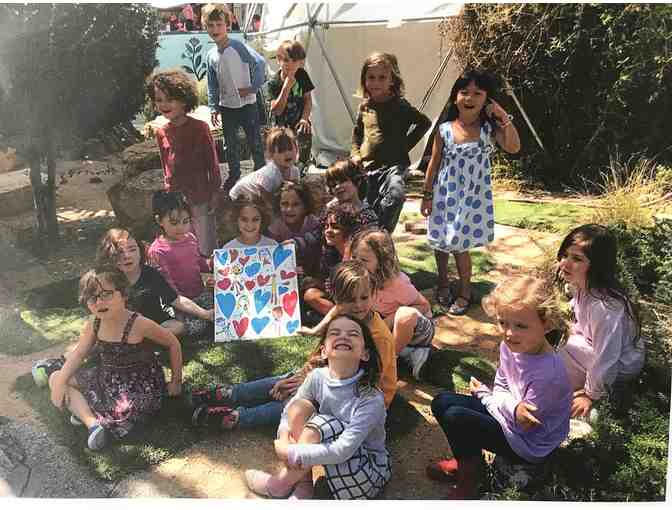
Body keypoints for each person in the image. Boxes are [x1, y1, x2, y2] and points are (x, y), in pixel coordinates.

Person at [189, 260, 397, 431]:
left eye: (364, 297)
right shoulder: (344, 313)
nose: (358, 305)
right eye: (350, 299)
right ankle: (230, 394)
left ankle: (236, 417)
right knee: (285, 380)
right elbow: (322, 355)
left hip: (357, 399)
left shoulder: (377, 337)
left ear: (374, 294)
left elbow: (366, 385)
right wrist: (301, 376)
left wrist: (307, 387)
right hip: (330, 378)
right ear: (337, 299)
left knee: (296, 404)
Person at [428, 276, 572, 499]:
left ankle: (472, 479)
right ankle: (469, 464)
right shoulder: (510, 347)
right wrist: (503, 402)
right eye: (503, 323)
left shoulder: (549, 374)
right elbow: (502, 385)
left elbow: (523, 425)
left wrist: (486, 397)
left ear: (547, 324)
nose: (509, 333)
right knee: (442, 402)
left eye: (521, 326)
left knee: (457, 417)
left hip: (528, 444)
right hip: (508, 418)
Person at [244, 314, 390, 500]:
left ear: (365, 354)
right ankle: (303, 485)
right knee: (299, 407)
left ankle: (278, 485)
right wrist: (283, 435)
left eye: (353, 334)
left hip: (366, 474)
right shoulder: (318, 377)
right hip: (334, 460)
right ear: (323, 351)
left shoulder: (371, 398)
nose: (343, 336)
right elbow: (290, 410)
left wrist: (291, 452)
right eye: (335, 333)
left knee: (321, 424)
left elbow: (343, 449)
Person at [47, 267, 183, 450]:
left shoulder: (139, 324)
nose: (99, 302)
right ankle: (93, 425)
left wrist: (176, 382)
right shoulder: (94, 322)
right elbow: (79, 354)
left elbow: (173, 343)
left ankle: (86, 411)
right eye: (92, 298)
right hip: (108, 378)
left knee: (124, 412)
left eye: (106, 294)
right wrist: (59, 384)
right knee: (56, 377)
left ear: (124, 294)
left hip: (139, 389)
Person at [421, 69, 520, 315]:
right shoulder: (444, 129)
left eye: (478, 93)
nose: (470, 98)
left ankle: (465, 291)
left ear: (487, 99)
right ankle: (443, 283)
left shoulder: (488, 129)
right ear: (455, 96)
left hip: (471, 199)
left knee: (459, 245)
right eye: (464, 92)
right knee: (441, 242)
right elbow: (433, 164)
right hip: (444, 196)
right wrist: (427, 195)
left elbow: (513, 147)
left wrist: (502, 116)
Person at [556, 224, 645, 418]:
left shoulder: (604, 307)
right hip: (598, 348)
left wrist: (590, 395)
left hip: (622, 364)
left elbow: (606, 357)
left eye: (577, 259)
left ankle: (589, 394)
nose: (565, 263)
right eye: (565, 255)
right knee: (557, 341)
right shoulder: (582, 286)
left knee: (560, 348)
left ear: (597, 265)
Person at [351, 52, 431, 233]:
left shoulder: (400, 106)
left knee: (396, 196)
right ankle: (371, 238)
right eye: (371, 77)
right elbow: (357, 135)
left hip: (394, 166)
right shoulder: (364, 107)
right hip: (369, 167)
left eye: (382, 77)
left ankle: (382, 234)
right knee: (368, 207)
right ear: (364, 80)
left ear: (392, 81)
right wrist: (355, 154)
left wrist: (405, 145)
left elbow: (424, 123)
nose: (376, 82)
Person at [146, 69, 221, 257]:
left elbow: (212, 163)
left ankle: (207, 271)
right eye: (159, 100)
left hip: (199, 196)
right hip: (176, 200)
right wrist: (168, 196)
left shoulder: (200, 128)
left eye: (170, 99)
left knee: (205, 242)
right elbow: (165, 166)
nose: (164, 104)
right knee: (180, 241)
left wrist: (214, 192)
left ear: (184, 100)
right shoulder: (161, 132)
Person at [350, 227, 434, 379]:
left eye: (364, 260)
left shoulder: (397, 283)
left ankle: (389, 361)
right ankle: (404, 353)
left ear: (382, 261)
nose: (357, 264)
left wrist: (390, 319)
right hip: (386, 329)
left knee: (404, 315)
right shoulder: (360, 279)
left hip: (418, 332)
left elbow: (424, 306)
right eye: (354, 257)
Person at [202, 3, 266, 190]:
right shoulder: (211, 55)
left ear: (227, 25)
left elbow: (260, 63)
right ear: (205, 27)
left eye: (219, 24)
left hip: (248, 105)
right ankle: (234, 174)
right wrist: (213, 107)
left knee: (255, 141)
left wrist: (253, 88)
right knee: (230, 144)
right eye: (210, 25)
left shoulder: (238, 47)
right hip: (227, 107)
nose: (215, 29)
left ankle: (261, 172)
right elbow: (212, 84)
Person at [148, 191, 215, 337]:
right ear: (159, 221)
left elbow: (200, 263)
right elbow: (170, 292)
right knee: (197, 325)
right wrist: (202, 313)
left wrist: (212, 264)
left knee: (222, 310)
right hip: (178, 303)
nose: (181, 227)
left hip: (200, 293)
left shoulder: (190, 238)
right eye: (174, 223)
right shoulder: (157, 251)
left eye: (185, 222)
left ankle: (205, 318)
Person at [302, 204, 360, 316]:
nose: (328, 231)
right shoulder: (332, 251)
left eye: (335, 227)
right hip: (339, 298)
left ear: (347, 229)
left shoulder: (355, 253)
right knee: (310, 295)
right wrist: (314, 282)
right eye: (326, 226)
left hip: (355, 301)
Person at [268, 40, 315, 170]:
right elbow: (276, 110)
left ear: (301, 62)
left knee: (304, 130)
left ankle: (302, 165)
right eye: (286, 60)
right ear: (278, 60)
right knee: (282, 151)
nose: (291, 64)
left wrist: (304, 118)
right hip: (281, 125)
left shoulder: (302, 75)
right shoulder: (274, 82)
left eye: (295, 61)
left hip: (298, 120)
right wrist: (286, 87)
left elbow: (308, 99)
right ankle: (283, 170)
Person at [228, 126, 300, 202]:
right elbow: (267, 202)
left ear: (297, 149)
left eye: (290, 149)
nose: (287, 154)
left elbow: (295, 194)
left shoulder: (294, 171)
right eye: (281, 151)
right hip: (239, 195)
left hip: (257, 196)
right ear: (271, 155)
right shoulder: (270, 175)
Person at [268, 181, 321, 277]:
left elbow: (316, 249)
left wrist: (305, 268)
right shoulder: (276, 226)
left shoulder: (312, 223)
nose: (289, 209)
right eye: (284, 204)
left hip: (309, 268)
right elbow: (272, 253)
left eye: (296, 204)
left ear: (305, 207)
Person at [324, 159, 379, 227]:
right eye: (333, 185)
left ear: (357, 181)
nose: (337, 187)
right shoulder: (330, 210)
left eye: (342, 181)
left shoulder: (367, 214)